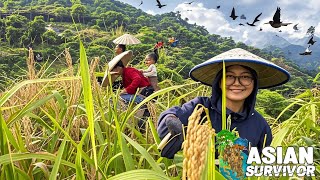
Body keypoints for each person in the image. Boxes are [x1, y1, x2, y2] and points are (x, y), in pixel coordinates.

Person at [157, 48, 291, 159]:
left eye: (245, 77)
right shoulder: (201, 109)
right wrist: (171, 122)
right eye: (229, 76)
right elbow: (170, 117)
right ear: (219, 82)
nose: (237, 83)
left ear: (254, 83)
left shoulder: (260, 126)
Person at [101, 50, 154, 131]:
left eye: (114, 70)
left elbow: (137, 79)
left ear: (119, 67)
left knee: (117, 98)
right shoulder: (124, 76)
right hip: (140, 96)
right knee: (115, 99)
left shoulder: (129, 70)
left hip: (145, 95)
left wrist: (125, 90)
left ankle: (127, 119)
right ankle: (127, 118)